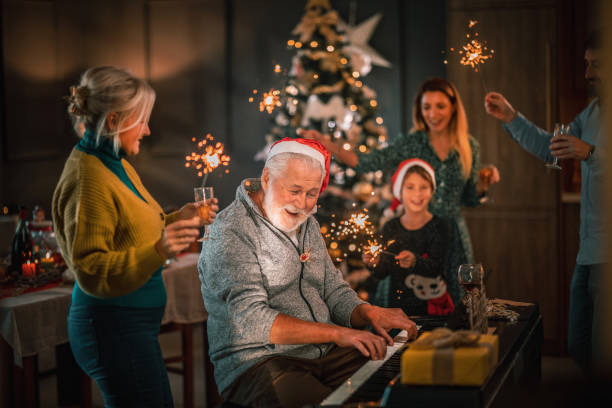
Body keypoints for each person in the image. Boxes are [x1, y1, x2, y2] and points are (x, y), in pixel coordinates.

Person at [198, 137, 418, 408]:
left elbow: (332, 290)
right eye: (294, 190)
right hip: (259, 362)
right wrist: (337, 333)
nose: (303, 204)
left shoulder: (307, 223)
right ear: (266, 178)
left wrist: (367, 312)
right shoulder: (230, 230)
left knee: (404, 383)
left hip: (325, 354)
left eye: (312, 193)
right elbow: (252, 320)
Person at [52, 66, 219, 407]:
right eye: (141, 120)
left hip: (130, 328)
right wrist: (160, 248)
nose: (147, 129)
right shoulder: (89, 178)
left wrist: (178, 218)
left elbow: (129, 230)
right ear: (114, 121)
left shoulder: (115, 161)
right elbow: (91, 270)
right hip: (112, 329)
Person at [302, 77, 500, 306]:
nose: (433, 114)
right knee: (408, 302)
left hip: (454, 238)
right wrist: (327, 144)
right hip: (414, 235)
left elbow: (469, 198)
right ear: (419, 110)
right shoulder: (411, 143)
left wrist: (483, 184)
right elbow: (366, 162)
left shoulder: (469, 146)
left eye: (440, 106)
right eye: (427, 107)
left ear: (454, 108)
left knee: (459, 304)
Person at [484, 30, 604, 373]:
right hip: (590, 248)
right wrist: (511, 117)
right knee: (579, 345)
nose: (587, 74)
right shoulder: (594, 111)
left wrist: (592, 152)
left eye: (596, 64)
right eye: (586, 64)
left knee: (598, 350)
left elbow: (587, 153)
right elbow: (550, 146)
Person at [363, 159, 453, 316]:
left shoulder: (439, 227)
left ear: (432, 191)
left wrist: (415, 262)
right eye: (410, 187)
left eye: (423, 187)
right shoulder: (391, 227)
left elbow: (438, 267)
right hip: (397, 308)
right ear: (400, 192)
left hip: (432, 309)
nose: (417, 194)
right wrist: (374, 264)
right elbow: (383, 272)